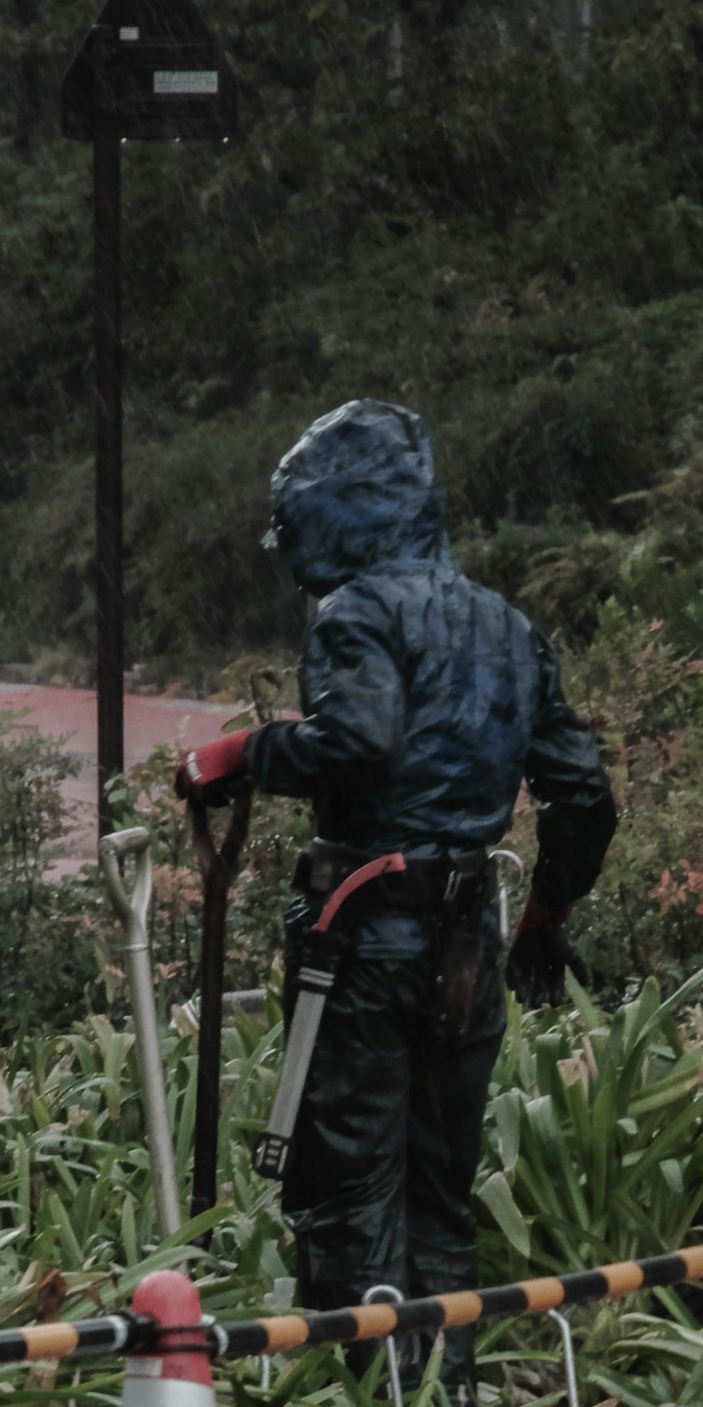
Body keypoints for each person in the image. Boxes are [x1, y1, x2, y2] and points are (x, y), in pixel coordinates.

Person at [177, 399, 621, 1345]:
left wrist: (249, 755)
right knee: (438, 1193)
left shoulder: (355, 613)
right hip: (470, 943)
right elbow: (584, 796)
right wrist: (545, 910)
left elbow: (359, 739)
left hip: (364, 941)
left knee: (345, 1192)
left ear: (336, 515)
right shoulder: (507, 626)